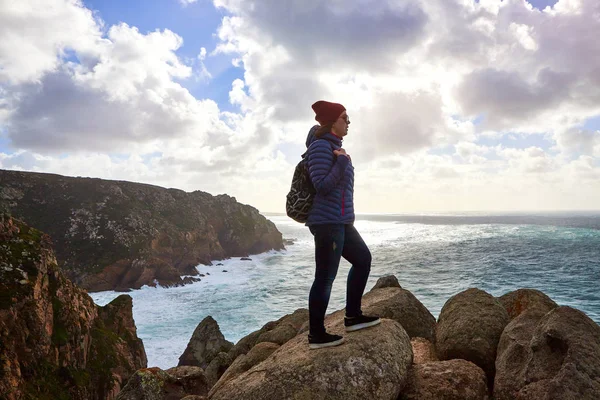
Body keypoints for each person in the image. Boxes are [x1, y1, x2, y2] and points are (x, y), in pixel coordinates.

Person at [305, 100, 380, 349]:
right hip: (327, 222)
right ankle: (316, 334)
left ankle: (353, 316)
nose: (349, 123)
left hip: (342, 221)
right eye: (345, 118)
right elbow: (322, 185)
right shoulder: (320, 148)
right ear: (331, 122)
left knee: (363, 260)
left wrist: (342, 160)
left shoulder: (336, 148)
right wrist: (342, 163)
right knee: (325, 277)